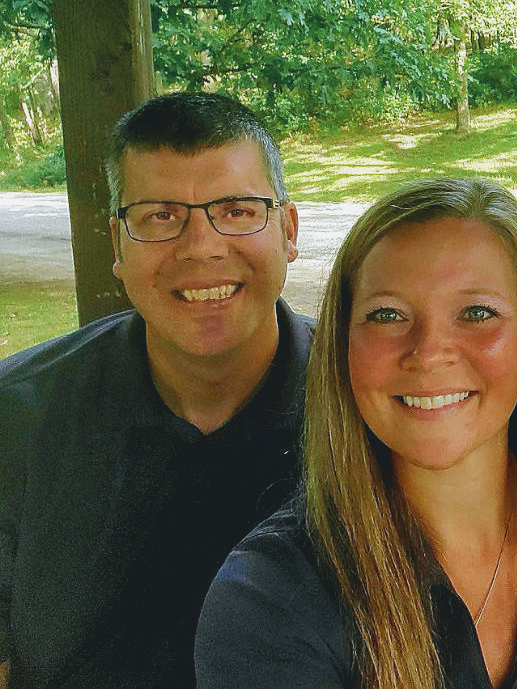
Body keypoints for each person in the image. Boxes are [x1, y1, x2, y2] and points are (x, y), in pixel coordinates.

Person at [195, 178, 517, 689]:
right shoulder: (269, 599)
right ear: (342, 343)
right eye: (387, 315)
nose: (429, 353)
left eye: (477, 313)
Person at [0, 91, 309, 689]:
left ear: (288, 231)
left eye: (238, 210)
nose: (201, 246)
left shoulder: (369, 408)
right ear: (117, 246)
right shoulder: (17, 418)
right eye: (160, 216)